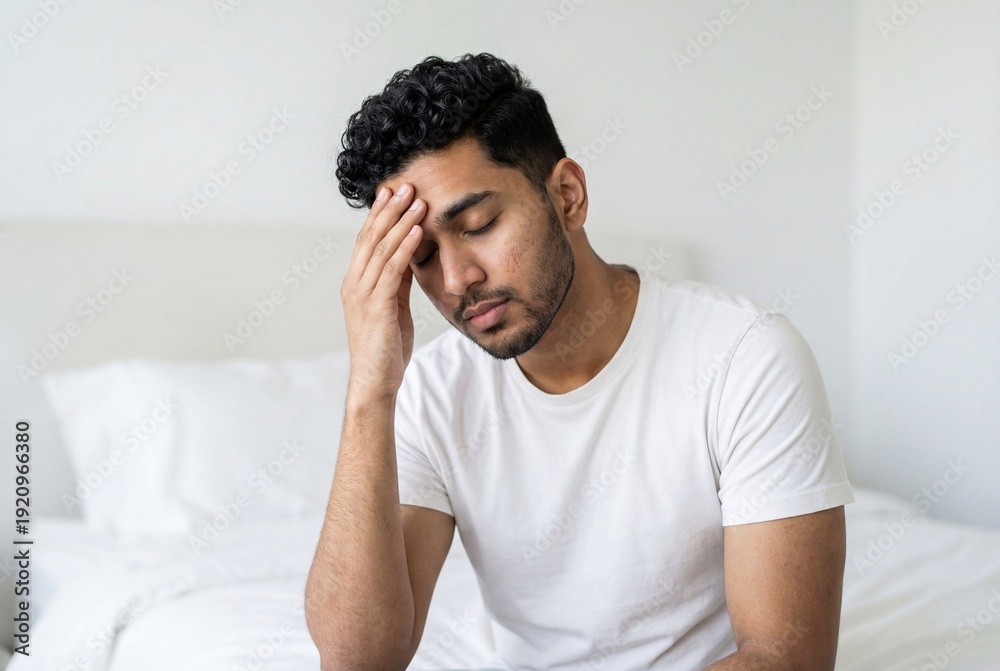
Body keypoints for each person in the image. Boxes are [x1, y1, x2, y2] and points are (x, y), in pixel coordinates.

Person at [305, 52, 854, 671]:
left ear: (567, 196)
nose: (457, 280)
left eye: (478, 225)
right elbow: (357, 660)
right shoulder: (431, 391)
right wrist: (370, 392)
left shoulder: (745, 357)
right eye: (423, 256)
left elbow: (787, 658)